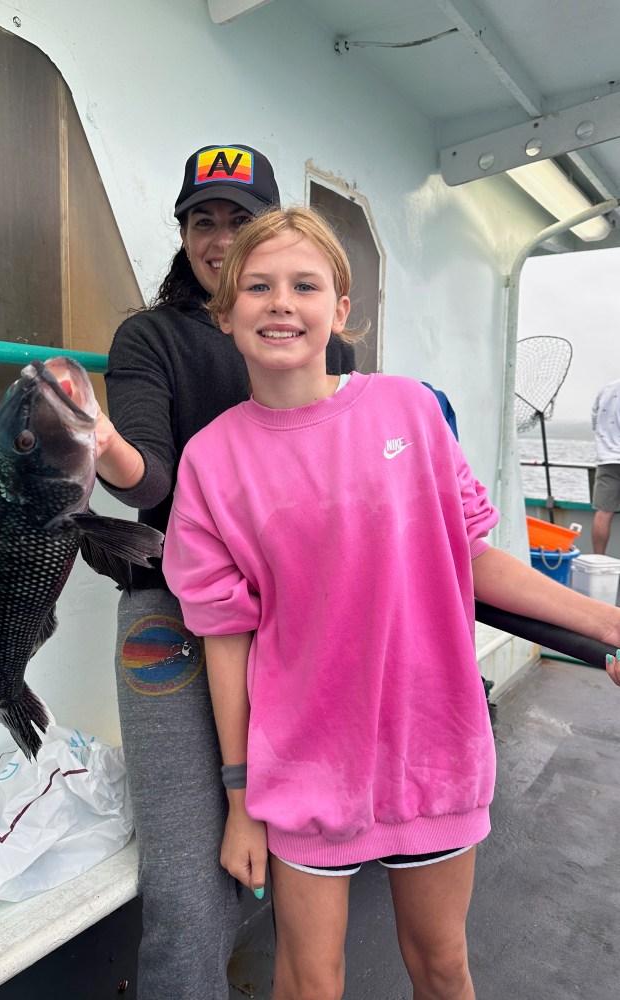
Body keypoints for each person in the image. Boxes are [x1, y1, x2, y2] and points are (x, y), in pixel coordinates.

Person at [161, 207, 620, 1000]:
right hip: (305, 771)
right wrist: (241, 802)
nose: (281, 303)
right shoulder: (210, 461)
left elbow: (472, 556)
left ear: (340, 310)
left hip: (431, 751)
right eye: (259, 287)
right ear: (226, 313)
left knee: (442, 968)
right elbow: (225, 636)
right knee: (309, 984)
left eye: (305, 285)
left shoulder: (408, 409)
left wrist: (610, 623)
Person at [94, 147, 355, 1000]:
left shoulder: (321, 350)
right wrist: (104, 453)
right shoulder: (148, 337)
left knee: (304, 846)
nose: (219, 237)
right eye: (202, 220)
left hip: (292, 615)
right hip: (168, 610)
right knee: (182, 878)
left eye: (239, 219)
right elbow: (157, 480)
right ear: (183, 234)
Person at [591, 377, 620, 554]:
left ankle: (598, 560)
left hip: (607, 458)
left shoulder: (607, 389)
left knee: (603, 512)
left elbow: (595, 421)